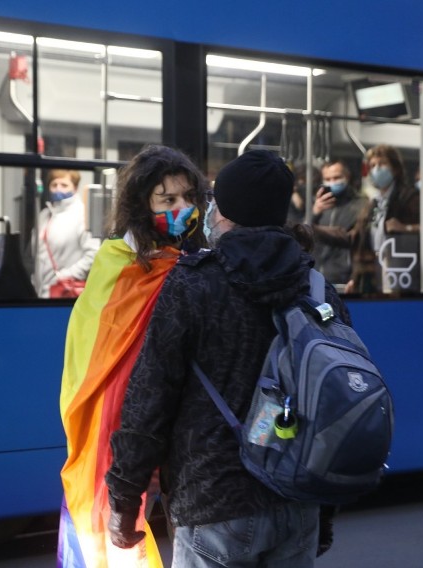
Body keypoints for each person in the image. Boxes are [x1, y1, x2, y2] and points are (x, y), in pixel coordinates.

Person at [105, 149, 350, 567]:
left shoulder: (194, 284)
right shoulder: (316, 287)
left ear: (227, 211)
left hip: (214, 502)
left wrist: (124, 502)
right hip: (296, 499)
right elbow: (330, 405)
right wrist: (323, 510)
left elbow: (149, 400)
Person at [58, 145, 207, 568]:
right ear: (143, 204)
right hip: (131, 431)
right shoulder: (117, 264)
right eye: (168, 200)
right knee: (123, 532)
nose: (182, 208)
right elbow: (93, 350)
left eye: (188, 198)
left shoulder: (192, 262)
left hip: (184, 432)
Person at [333, 144, 419, 295]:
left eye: (382, 164)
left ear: (395, 168)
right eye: (373, 165)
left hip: (401, 269)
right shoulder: (373, 203)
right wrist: (355, 278)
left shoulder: (409, 197)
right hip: (373, 270)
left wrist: (406, 229)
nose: (377, 169)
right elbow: (358, 239)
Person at [33, 169, 101, 298]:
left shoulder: (82, 215)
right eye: (54, 185)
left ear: (75, 188)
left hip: (65, 292)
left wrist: (64, 276)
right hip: (41, 293)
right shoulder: (44, 215)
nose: (58, 189)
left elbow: (93, 254)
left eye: (64, 185)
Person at [311, 160, 368, 286]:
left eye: (336, 177)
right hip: (316, 276)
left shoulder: (360, 204)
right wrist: (314, 213)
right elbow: (302, 234)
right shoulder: (317, 204)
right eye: (328, 179)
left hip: (343, 278)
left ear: (346, 177)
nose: (332, 182)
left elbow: (352, 237)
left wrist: (314, 228)